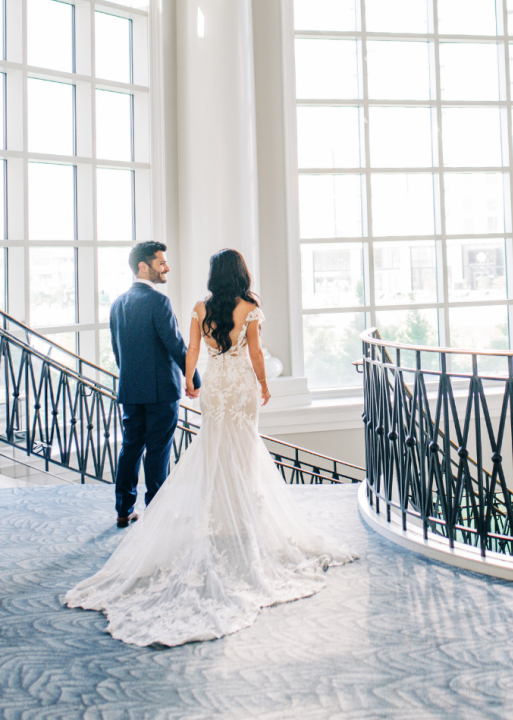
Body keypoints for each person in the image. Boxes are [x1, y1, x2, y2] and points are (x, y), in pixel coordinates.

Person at [65, 248, 356, 647]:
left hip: (208, 388)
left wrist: (191, 381)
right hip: (239, 386)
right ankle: (237, 514)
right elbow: (254, 352)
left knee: (203, 446)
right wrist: (265, 386)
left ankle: (179, 509)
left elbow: (191, 350)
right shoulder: (250, 306)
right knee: (240, 448)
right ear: (240, 273)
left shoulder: (196, 307)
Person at [110, 240, 201, 529]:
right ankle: (156, 512)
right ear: (143, 266)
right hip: (161, 392)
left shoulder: (117, 304)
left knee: (131, 447)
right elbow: (175, 344)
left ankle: (124, 510)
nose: (167, 268)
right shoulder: (158, 301)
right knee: (158, 450)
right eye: (161, 263)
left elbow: (117, 350)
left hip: (130, 389)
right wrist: (193, 379)